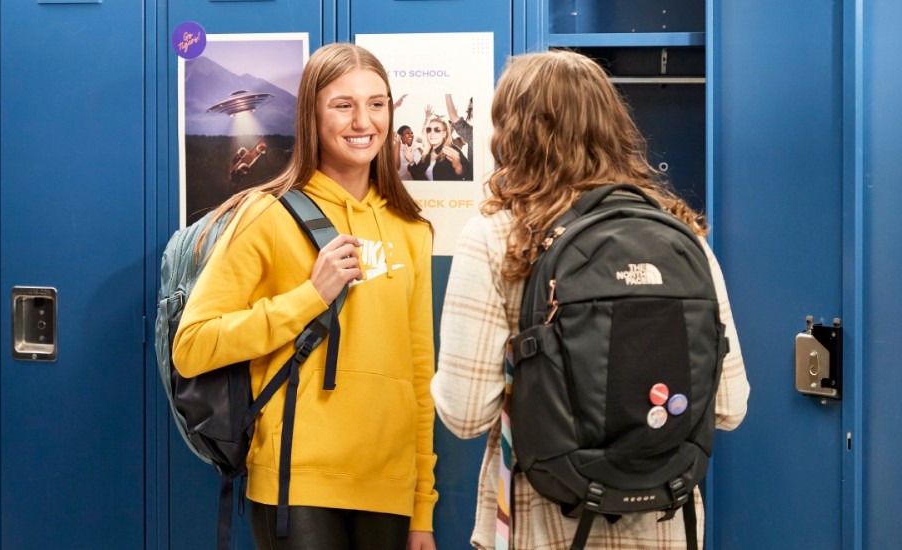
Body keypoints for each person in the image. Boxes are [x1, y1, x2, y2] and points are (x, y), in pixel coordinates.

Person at [431, 50, 750, 549]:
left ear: (511, 131)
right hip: (663, 521)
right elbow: (730, 406)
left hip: (543, 523)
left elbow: (465, 413)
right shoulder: (681, 233)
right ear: (614, 123)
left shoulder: (496, 236)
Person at [173, 43, 438, 550]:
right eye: (343, 105)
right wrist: (308, 297)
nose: (364, 120)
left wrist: (422, 506)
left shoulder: (412, 230)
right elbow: (194, 345)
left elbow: (418, 374)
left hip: (388, 486)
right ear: (311, 115)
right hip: (298, 483)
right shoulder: (264, 215)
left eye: (377, 103)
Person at [409, 112, 471, 181]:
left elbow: (471, 176)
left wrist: (458, 167)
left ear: (444, 133)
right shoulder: (426, 154)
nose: (432, 133)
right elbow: (418, 177)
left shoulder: (452, 150)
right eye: (429, 130)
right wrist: (411, 162)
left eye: (437, 130)